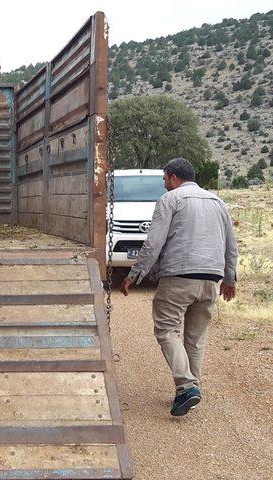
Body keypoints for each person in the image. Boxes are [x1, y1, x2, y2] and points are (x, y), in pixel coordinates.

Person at [121, 158, 238, 416]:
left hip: (178, 277)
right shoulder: (218, 202)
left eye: (164, 180)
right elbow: (231, 244)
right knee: (195, 339)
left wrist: (135, 274)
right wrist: (230, 279)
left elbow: (154, 242)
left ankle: (186, 387)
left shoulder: (171, 200)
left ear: (173, 177)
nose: (164, 185)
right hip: (210, 279)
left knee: (166, 330)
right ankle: (189, 390)